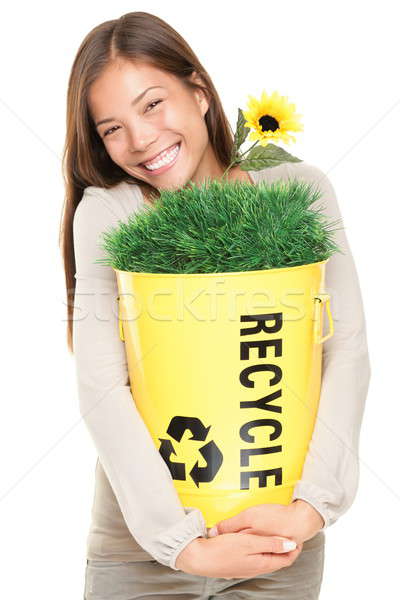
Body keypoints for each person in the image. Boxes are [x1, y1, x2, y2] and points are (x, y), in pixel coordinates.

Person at [59, 11, 371, 599]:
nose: (141, 138)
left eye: (152, 104)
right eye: (111, 128)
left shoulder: (297, 192)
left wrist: (311, 508)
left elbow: (345, 350)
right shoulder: (110, 212)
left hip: (277, 533)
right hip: (142, 543)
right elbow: (103, 387)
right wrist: (179, 542)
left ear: (198, 92)